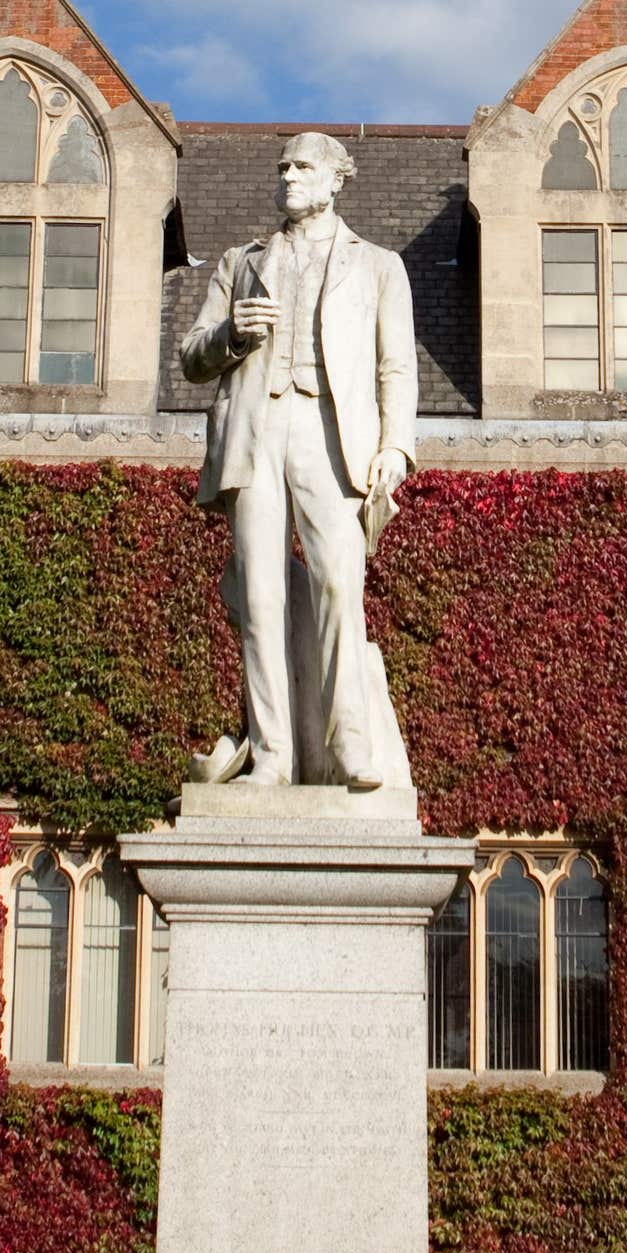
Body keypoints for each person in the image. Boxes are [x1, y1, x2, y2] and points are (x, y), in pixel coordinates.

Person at [180, 131, 417, 790]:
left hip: (329, 431)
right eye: (283, 165)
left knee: (340, 586)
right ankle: (273, 756)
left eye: (303, 165)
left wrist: (395, 446)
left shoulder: (377, 266)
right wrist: (232, 336)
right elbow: (191, 356)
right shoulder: (241, 262)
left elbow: (396, 366)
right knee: (260, 598)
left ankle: (350, 748)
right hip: (255, 431)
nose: (289, 174)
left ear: (338, 177)